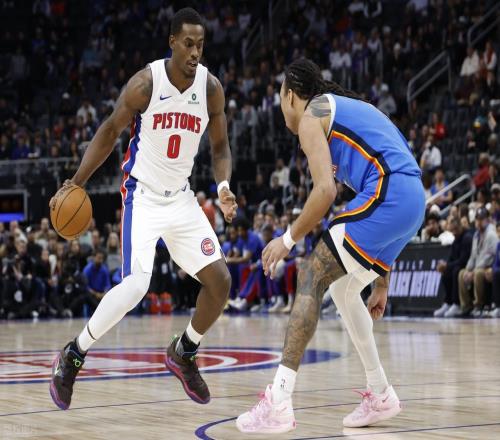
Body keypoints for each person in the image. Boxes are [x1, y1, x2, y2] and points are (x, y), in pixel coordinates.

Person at [49, 8, 237, 411]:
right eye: (188, 44)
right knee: (137, 285)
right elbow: (109, 131)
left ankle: (184, 352)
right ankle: (73, 355)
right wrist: (76, 181)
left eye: (201, 45)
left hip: (181, 197)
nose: (195, 52)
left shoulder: (211, 89)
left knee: (221, 282)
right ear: (172, 42)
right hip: (144, 195)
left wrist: (223, 187)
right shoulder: (146, 83)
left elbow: (220, 147)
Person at [237, 58, 425, 433]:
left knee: (311, 274)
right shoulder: (344, 110)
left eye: (279, 97)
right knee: (341, 288)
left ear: (291, 95)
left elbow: (325, 191)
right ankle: (380, 393)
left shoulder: (312, 114)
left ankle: (279, 401)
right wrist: (382, 281)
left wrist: (287, 240)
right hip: (412, 201)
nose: (280, 107)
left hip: (389, 191)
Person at [458, 207, 498, 317]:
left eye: (482, 219)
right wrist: (468, 270)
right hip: (478, 267)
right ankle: (466, 306)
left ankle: (479, 305)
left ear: (488, 220)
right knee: (461, 273)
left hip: (488, 267)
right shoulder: (476, 235)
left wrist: (473, 271)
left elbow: (490, 257)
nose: (479, 222)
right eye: (477, 219)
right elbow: (473, 256)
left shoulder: (491, 235)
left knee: (478, 273)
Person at [433, 217, 473, 318]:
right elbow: (451, 258)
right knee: (446, 272)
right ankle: (448, 302)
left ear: (460, 226)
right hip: (458, 265)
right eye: (452, 230)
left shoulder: (467, 238)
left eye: (455, 230)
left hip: (467, 266)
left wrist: (448, 265)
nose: (454, 233)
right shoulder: (456, 239)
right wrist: (444, 265)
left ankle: (457, 304)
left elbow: (463, 260)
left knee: (456, 271)